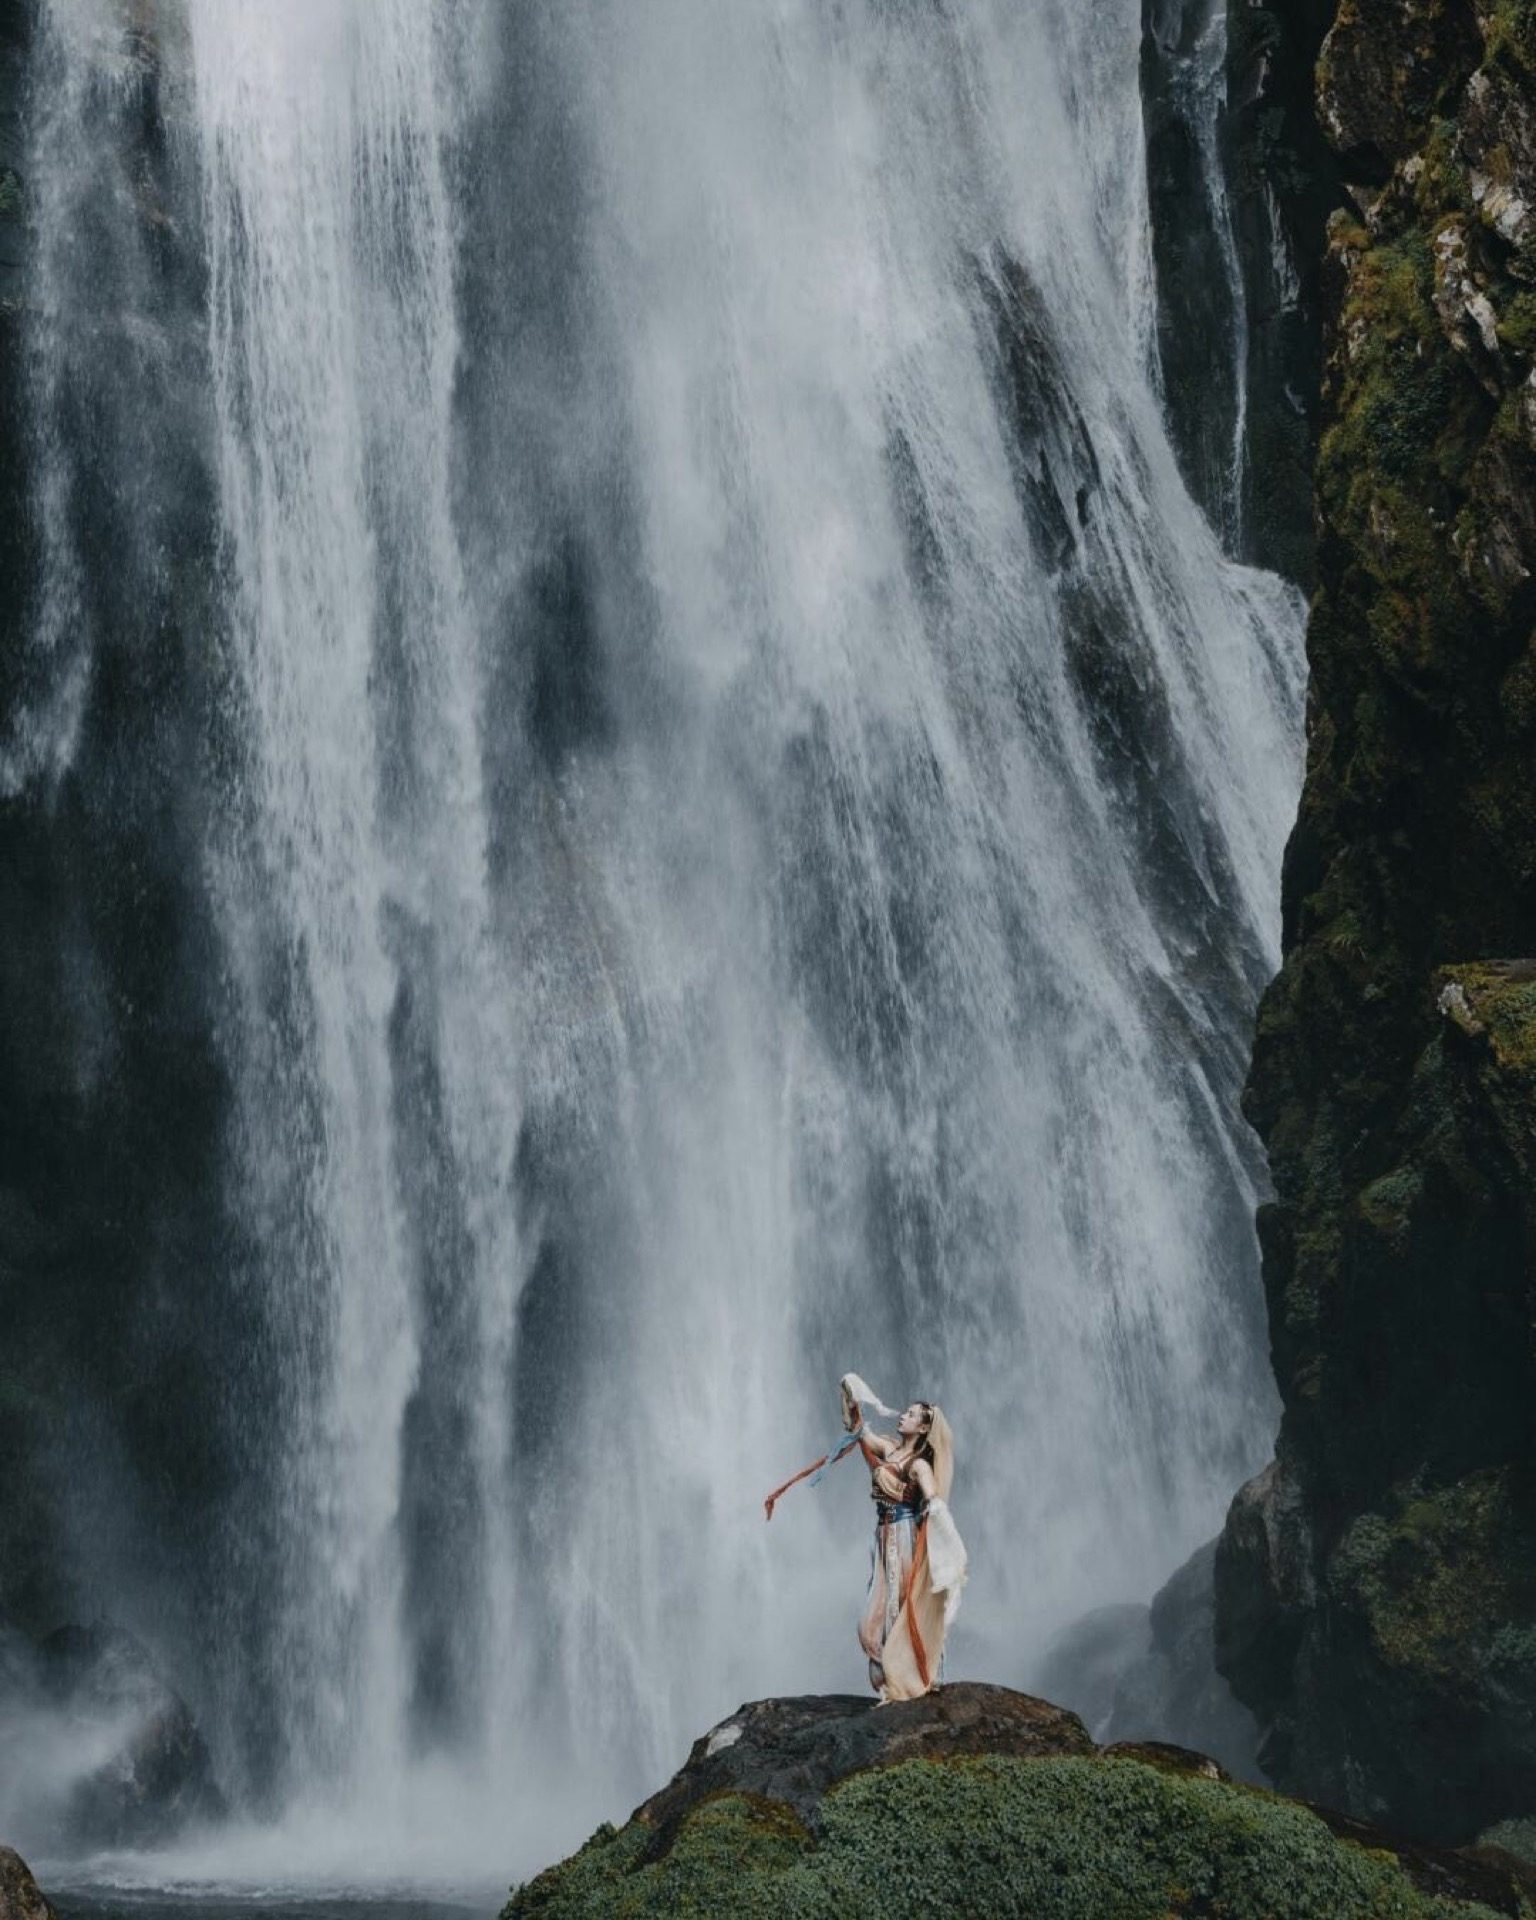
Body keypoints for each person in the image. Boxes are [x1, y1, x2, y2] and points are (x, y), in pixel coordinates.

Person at [764, 1373, 967, 1702]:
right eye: (907, 1411)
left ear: (924, 1429)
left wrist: (936, 1519)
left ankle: (908, 1677)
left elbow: (932, 1499)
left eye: (913, 1414)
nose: (904, 1415)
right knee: (879, 1611)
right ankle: (894, 1675)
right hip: (883, 1535)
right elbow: (861, 1434)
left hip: (902, 1537)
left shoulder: (918, 1466)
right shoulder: (890, 1449)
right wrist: (852, 1394)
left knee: (898, 1605)